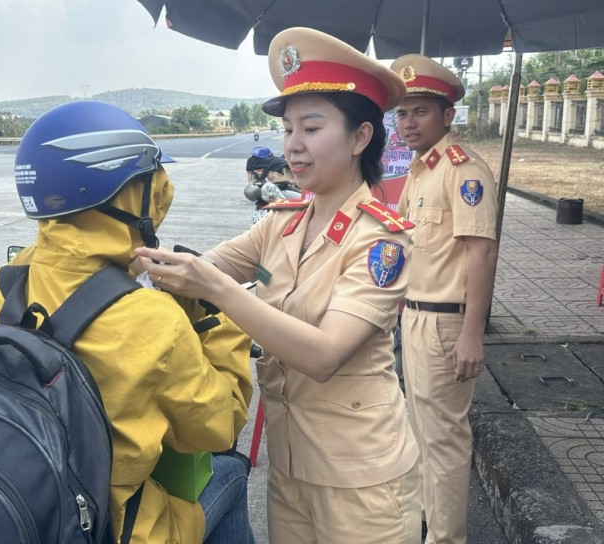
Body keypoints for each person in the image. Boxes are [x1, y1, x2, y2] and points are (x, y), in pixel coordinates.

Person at [136, 28, 421, 543]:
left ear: (360, 137)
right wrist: (123, 260)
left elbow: (325, 353)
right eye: (288, 129)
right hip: (290, 467)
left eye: (311, 128)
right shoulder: (281, 221)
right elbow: (199, 270)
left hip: (362, 480)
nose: (293, 144)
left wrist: (221, 291)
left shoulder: (383, 242)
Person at [0, 101, 256, 544]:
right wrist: (215, 313)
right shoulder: (152, 318)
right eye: (150, 182)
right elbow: (218, 427)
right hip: (106, 529)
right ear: (128, 194)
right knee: (230, 470)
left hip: (16, 509)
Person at [390, 54, 500, 544]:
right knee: (420, 434)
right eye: (402, 113)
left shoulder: (463, 172)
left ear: (447, 116)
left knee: (445, 441)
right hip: (414, 318)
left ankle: (446, 537)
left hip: (445, 325)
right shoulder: (419, 171)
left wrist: (472, 334)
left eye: (420, 112)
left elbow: (481, 254)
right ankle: (429, 524)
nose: (408, 123)